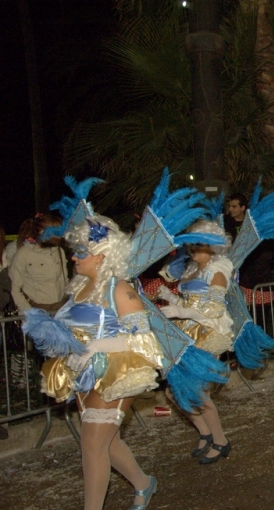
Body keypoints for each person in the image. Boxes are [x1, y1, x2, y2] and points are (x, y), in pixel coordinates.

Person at [26, 216, 162, 510]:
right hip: (83, 374)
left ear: (102, 255)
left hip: (117, 371)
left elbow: (143, 340)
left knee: (91, 444)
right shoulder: (79, 288)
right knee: (107, 444)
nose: (73, 257)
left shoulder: (120, 289)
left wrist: (95, 347)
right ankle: (143, 483)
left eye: (81, 252)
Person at [158, 219, 234, 464]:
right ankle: (205, 432)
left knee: (199, 394)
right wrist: (172, 299)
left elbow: (214, 309)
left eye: (200, 245)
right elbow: (190, 302)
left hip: (208, 334)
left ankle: (221, 441)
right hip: (187, 334)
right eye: (192, 245)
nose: (194, 250)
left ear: (214, 246)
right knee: (173, 392)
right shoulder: (192, 268)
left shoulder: (218, 270)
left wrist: (183, 311)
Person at [9, 214, 69, 314]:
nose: (60, 235)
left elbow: (64, 280)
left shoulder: (58, 251)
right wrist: (29, 313)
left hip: (58, 309)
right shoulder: (23, 254)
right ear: (41, 231)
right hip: (36, 310)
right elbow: (15, 290)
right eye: (55, 231)